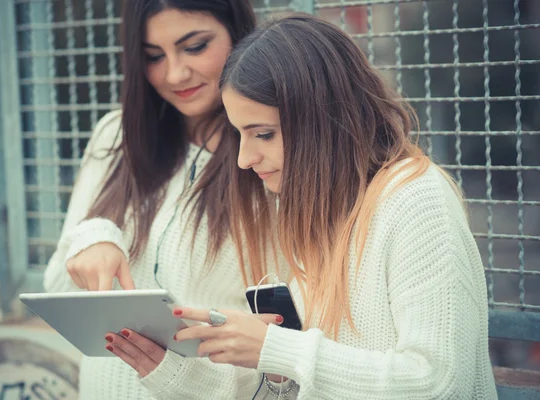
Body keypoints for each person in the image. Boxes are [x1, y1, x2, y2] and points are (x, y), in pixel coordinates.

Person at [164, 14, 498, 399]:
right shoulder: (318, 211)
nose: (244, 159)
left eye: (264, 134)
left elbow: (438, 382)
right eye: (240, 134)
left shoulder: (417, 199)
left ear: (321, 120)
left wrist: (276, 348)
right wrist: (170, 367)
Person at [43, 1, 286, 399]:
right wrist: (94, 234)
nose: (175, 73)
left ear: (238, 32)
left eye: (194, 47)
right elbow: (55, 290)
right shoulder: (115, 138)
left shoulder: (268, 152)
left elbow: (285, 343)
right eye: (153, 56)